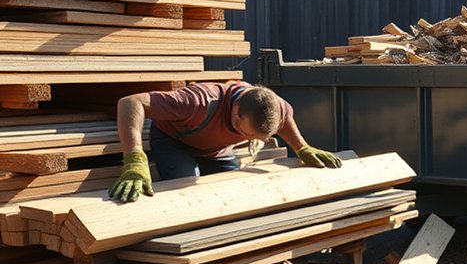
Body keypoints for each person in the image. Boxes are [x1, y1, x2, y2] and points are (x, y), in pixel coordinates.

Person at [109, 81, 342, 202]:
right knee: (187, 191)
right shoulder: (199, 102)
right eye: (246, 132)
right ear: (235, 110)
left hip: (218, 150)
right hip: (176, 143)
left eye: (255, 137)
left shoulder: (276, 107)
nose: (249, 139)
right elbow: (130, 103)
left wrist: (302, 148)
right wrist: (134, 159)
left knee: (233, 192)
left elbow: (285, 121)